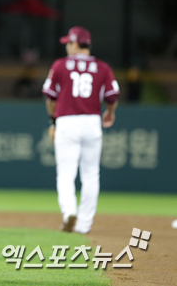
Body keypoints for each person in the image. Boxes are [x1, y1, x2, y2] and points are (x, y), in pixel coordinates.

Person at [42, 26, 119, 234]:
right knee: (91, 174)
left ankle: (69, 213)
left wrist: (52, 122)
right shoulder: (103, 68)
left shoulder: (60, 65)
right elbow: (112, 97)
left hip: (67, 121)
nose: (67, 46)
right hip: (92, 122)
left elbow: (51, 97)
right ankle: (84, 224)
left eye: (68, 42)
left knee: (66, 174)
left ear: (75, 44)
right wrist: (110, 112)